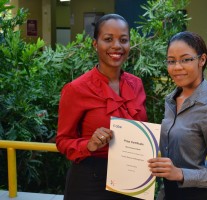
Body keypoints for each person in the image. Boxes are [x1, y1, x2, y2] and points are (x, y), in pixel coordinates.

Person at [56, 14, 147, 200]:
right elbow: (63, 141)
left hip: (131, 178)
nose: (116, 46)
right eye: (108, 39)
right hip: (90, 181)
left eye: (123, 40)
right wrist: (89, 144)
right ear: (95, 44)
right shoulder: (76, 89)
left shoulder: (136, 84)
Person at [148, 31, 207, 200]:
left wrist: (179, 173)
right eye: (171, 61)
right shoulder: (171, 100)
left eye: (186, 59)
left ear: (202, 60)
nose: (177, 67)